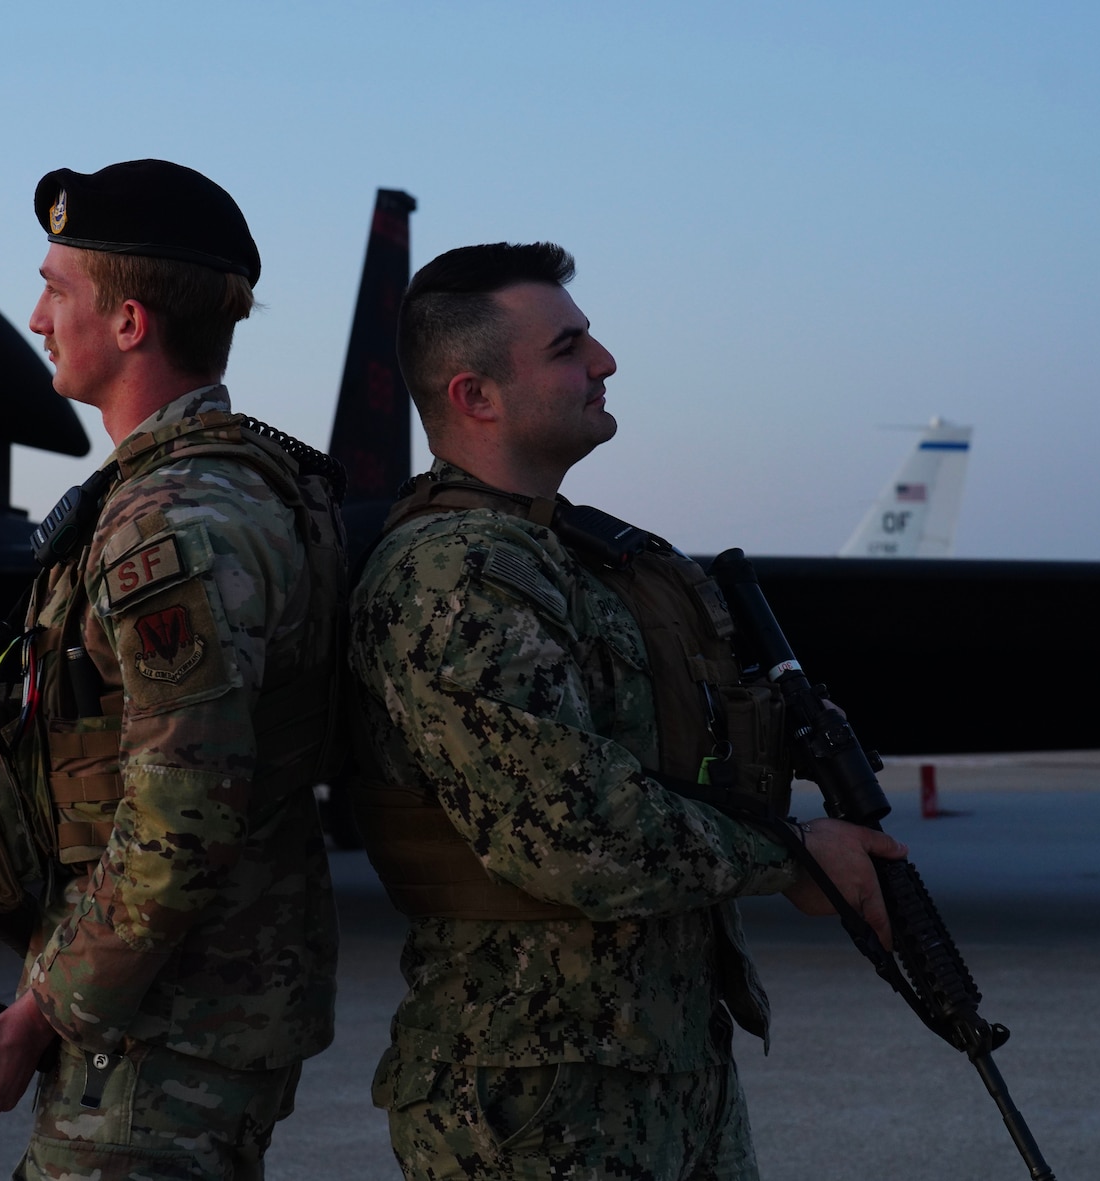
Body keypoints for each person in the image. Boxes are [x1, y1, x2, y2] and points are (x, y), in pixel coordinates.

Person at [346, 242, 907, 1180]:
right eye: (569, 347)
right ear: (474, 395)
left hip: (662, 1071)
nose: (603, 362)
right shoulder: (458, 572)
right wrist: (798, 855)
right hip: (536, 1100)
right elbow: (570, 834)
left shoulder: (576, 560)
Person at [0, 159, 344, 1181]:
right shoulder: (206, 490)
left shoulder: (175, 523)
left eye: (56, 289)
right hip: (175, 1009)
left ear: (128, 323)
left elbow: (181, 818)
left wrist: (34, 1017)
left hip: (165, 1030)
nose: (35, 318)